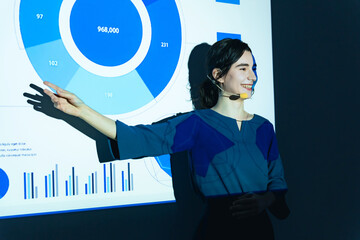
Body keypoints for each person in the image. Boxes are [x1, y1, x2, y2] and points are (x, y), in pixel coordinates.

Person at [44, 38, 289, 239]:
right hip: (218, 231)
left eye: (253, 68)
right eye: (243, 68)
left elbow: (277, 183)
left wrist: (264, 201)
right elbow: (138, 137)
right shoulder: (196, 124)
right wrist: (81, 110)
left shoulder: (264, 128)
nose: (252, 76)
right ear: (219, 75)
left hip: (260, 232)